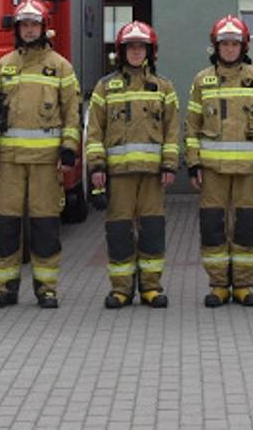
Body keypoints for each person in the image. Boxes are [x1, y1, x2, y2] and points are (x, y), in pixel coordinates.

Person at [0, 0, 81, 309]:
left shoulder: (61, 67)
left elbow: (72, 113)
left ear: (44, 28)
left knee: (45, 227)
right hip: (9, 162)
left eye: (34, 24)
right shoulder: (2, 67)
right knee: (6, 226)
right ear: (17, 29)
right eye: (24, 25)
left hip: (46, 164)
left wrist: (69, 150)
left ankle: (46, 289)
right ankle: (4, 289)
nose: (29, 30)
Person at [184, 15, 253, 308]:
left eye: (234, 44)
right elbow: (192, 126)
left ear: (243, 46)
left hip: (247, 174)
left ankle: (243, 285)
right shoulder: (202, 81)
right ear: (216, 46)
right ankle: (218, 286)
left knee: (246, 229)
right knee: (213, 228)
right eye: (224, 43)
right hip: (212, 172)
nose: (228, 48)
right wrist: (193, 164)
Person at [85, 21, 181, 309]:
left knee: (152, 230)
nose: (136, 52)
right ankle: (121, 290)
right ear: (122, 51)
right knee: (119, 232)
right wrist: (96, 167)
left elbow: (172, 130)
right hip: (119, 176)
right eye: (131, 47)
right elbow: (94, 131)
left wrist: (170, 165)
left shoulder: (164, 87)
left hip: (152, 176)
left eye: (141, 47)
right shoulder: (105, 87)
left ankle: (151, 288)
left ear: (150, 51)